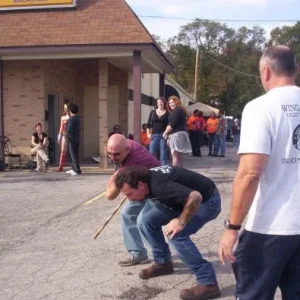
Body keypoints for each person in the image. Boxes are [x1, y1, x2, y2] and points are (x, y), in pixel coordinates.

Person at [219, 45, 300, 300]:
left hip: (271, 227)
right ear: (296, 70)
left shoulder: (260, 107)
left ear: (265, 72)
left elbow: (250, 173)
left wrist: (232, 227)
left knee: (254, 294)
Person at [115, 165, 222, 300]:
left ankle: (208, 283)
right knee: (145, 221)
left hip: (207, 201)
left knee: (176, 234)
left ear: (141, 185)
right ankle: (163, 263)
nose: (129, 199)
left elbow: (195, 197)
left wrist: (180, 221)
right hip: (180, 200)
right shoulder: (145, 180)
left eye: (129, 194)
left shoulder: (161, 187)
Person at [105, 134, 160, 266]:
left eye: (116, 154)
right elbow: (119, 173)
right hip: (143, 185)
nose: (112, 158)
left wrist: (112, 182)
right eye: (109, 153)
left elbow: (110, 195)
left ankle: (160, 257)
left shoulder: (132, 160)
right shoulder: (127, 143)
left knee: (143, 220)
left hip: (155, 188)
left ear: (127, 150)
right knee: (129, 215)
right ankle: (141, 254)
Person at [163, 96, 192, 167]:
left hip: (176, 134)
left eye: (172, 102)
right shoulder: (181, 110)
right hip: (181, 133)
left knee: (174, 155)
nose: (171, 104)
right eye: (169, 103)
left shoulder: (177, 111)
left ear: (177, 102)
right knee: (179, 155)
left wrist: (165, 133)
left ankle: (175, 172)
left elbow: (172, 124)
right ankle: (180, 171)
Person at [147, 97, 170, 165]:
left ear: (164, 103)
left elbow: (169, 125)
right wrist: (148, 134)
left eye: (161, 102)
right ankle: (152, 169)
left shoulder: (168, 113)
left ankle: (164, 170)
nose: (160, 103)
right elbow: (148, 125)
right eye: (158, 102)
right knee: (151, 153)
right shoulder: (153, 112)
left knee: (163, 154)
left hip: (164, 136)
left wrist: (167, 134)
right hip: (154, 135)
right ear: (156, 103)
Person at [65, 103, 81, 176]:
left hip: (72, 138)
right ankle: (74, 168)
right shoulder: (78, 118)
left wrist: (66, 135)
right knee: (75, 154)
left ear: (70, 110)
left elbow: (68, 129)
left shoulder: (71, 119)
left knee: (73, 154)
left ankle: (77, 170)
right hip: (77, 138)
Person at [57, 104, 69, 171]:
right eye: (65, 108)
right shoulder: (63, 117)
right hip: (64, 135)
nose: (65, 109)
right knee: (63, 150)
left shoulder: (71, 117)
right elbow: (61, 128)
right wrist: (59, 136)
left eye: (66, 108)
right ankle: (61, 166)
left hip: (70, 136)